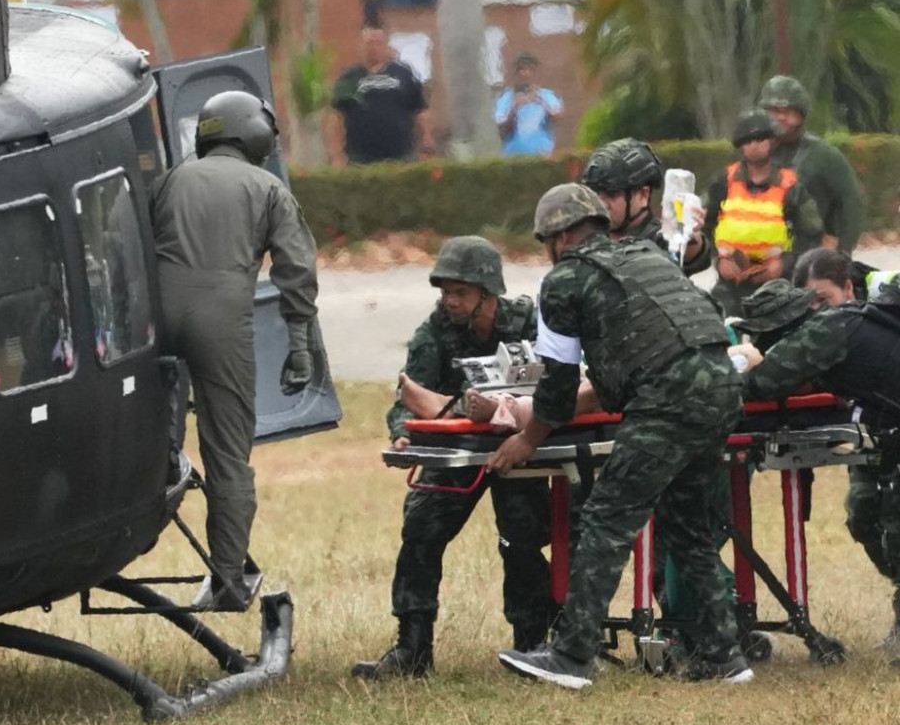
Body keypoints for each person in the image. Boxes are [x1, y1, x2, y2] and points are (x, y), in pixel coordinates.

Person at [490, 183, 751, 689]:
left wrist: (527, 440)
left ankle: (571, 656)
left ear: (559, 238)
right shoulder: (647, 256)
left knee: (606, 520)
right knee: (688, 529)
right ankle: (724, 656)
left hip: (666, 402)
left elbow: (558, 385)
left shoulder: (565, 281)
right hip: (722, 391)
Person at [352, 236, 554, 679]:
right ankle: (412, 648)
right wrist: (402, 434)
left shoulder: (528, 323)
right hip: (457, 450)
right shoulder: (433, 333)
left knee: (522, 538)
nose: (450, 301)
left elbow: (559, 381)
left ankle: (534, 644)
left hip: (519, 446)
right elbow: (408, 396)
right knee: (421, 530)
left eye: (461, 292)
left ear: (488, 292)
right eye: (445, 292)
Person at [151, 90, 319, 611]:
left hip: (155, 314)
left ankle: (159, 480)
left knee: (153, 430)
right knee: (227, 454)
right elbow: (296, 271)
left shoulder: (171, 179)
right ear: (256, 132)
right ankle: (226, 577)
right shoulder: (267, 188)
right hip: (222, 319)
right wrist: (300, 348)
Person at [735, 278, 900, 655]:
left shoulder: (821, 332)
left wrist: (744, 365)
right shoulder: (839, 322)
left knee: (895, 527)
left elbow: (761, 384)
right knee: (865, 516)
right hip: (888, 433)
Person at [704, 110, 824, 318]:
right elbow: (704, 226)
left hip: (777, 286)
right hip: (730, 287)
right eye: (748, 140)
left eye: (760, 138)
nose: (754, 145)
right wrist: (719, 260)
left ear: (772, 141)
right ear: (741, 145)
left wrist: (784, 264)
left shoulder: (791, 186)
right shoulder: (723, 181)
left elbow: (812, 235)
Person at [758, 75, 864, 252]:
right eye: (774, 110)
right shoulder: (754, 152)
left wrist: (841, 251)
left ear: (801, 114)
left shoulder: (823, 155)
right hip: (760, 251)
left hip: (808, 253)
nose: (781, 117)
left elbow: (851, 202)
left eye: (789, 111)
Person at [581, 137, 711, 275]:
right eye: (595, 193)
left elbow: (689, 257)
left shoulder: (660, 240)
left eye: (611, 194)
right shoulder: (587, 238)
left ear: (643, 195)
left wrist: (690, 239)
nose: (601, 202)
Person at [325, 26, 431, 165]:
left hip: (402, 156)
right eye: (368, 44)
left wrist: (426, 143)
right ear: (360, 46)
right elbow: (337, 117)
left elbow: (420, 111)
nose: (373, 48)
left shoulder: (404, 74)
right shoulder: (349, 78)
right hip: (359, 159)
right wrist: (336, 153)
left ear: (386, 46)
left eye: (378, 43)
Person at [493, 53, 562, 157]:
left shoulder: (546, 95)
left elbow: (557, 116)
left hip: (542, 153)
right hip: (513, 154)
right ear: (516, 74)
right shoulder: (506, 98)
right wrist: (515, 106)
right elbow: (501, 124)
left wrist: (540, 101)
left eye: (530, 70)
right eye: (522, 70)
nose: (526, 74)